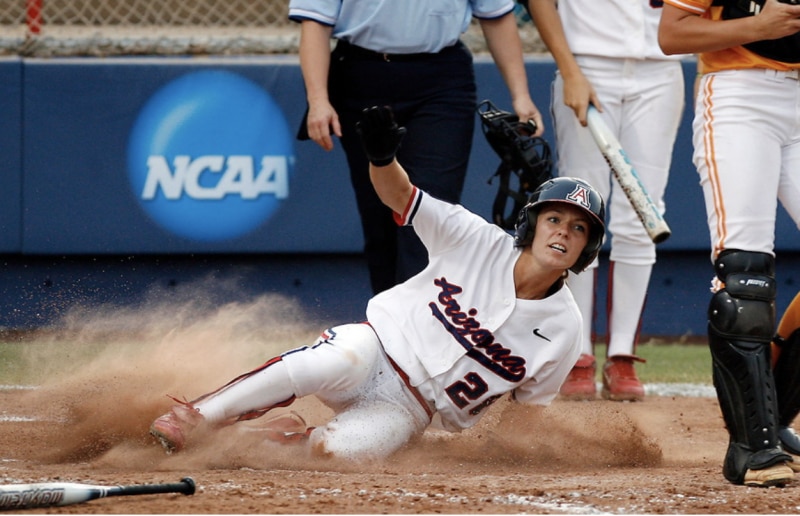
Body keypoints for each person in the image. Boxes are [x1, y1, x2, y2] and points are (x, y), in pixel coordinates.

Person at [149, 106, 606, 462]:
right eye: (554, 219)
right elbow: (400, 195)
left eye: (579, 228)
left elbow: (525, 417)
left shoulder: (563, 330)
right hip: (374, 350)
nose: (564, 233)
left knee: (338, 453)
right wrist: (383, 158)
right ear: (532, 225)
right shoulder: (475, 239)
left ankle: (258, 440)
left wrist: (507, 456)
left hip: (411, 411)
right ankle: (194, 417)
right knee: (325, 362)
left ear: (586, 250)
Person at [288, 0, 542, 296]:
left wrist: (521, 96)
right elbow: (316, 22)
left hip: (441, 79)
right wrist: (318, 99)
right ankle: (386, 317)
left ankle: (424, 316)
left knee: (432, 209)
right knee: (379, 215)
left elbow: (496, 15)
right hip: (361, 75)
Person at [659, 0, 800, 487]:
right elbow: (672, 34)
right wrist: (760, 25)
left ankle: (770, 418)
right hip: (740, 94)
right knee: (745, 277)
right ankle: (752, 447)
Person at [518, 0, 686, 402]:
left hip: (661, 68)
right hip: (587, 62)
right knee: (577, 213)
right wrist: (570, 70)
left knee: (643, 212)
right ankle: (577, 354)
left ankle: (622, 356)